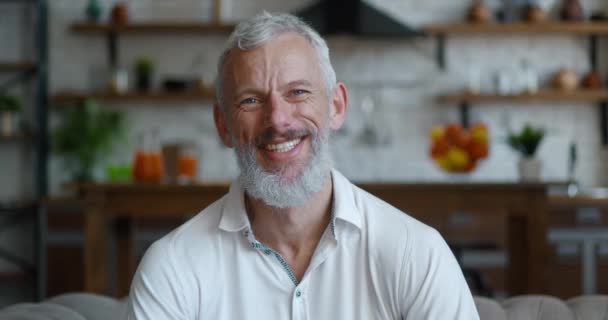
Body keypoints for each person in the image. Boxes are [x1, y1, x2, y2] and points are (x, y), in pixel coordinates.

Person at [126, 11, 479, 319]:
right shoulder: (173, 267)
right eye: (251, 100)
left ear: (337, 106)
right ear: (223, 125)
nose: (278, 119)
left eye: (298, 92)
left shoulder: (415, 253)